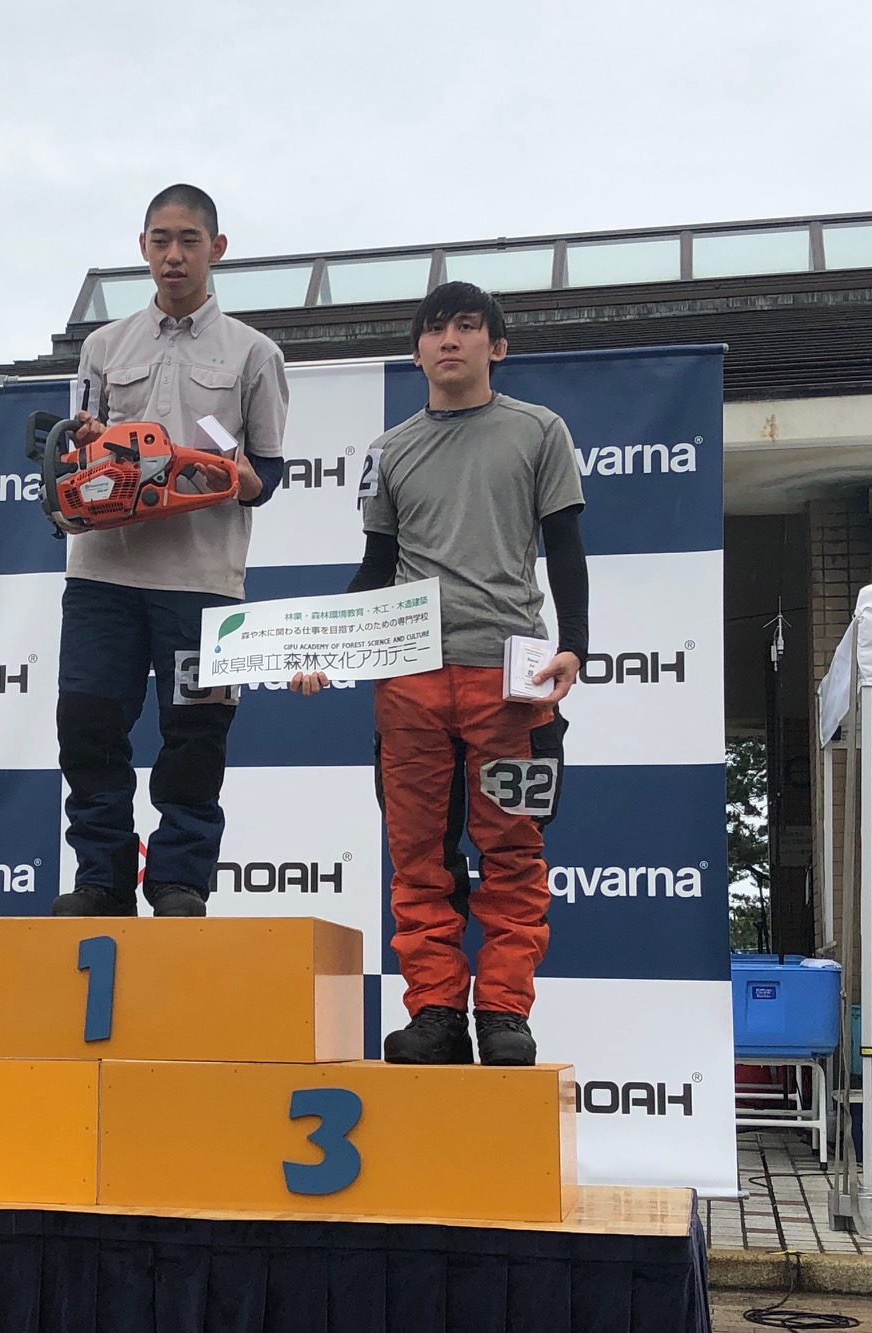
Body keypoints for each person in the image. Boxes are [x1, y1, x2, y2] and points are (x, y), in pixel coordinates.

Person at [294, 282, 589, 1067]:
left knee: (513, 851)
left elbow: (565, 547)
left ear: (497, 346)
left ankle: (504, 1014)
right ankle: (434, 1012)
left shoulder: (540, 431)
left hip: (511, 676)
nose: (449, 340)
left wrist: (577, 643)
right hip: (409, 677)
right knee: (419, 856)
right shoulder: (389, 450)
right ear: (417, 350)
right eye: (434, 329)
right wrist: (325, 645)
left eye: (466, 326)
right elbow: (376, 566)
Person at [53, 184, 290, 919]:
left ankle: (179, 879)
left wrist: (246, 481)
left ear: (217, 249)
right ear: (143, 249)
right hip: (103, 574)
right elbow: (74, 452)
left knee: (196, 734)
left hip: (203, 580)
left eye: (189, 240)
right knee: (89, 726)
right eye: (161, 240)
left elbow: (267, 472)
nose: (174, 255)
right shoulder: (102, 347)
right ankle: (100, 877)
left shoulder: (255, 353)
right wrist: (84, 451)